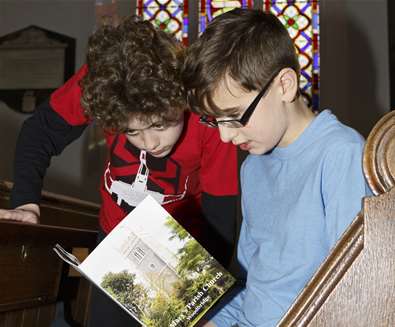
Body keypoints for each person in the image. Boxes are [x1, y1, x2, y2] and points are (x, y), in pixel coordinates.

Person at [0, 16, 238, 327]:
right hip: (117, 238)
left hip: (187, 246)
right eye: (131, 131)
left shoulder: (207, 111)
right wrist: (26, 202)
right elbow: (39, 133)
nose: (150, 144)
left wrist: (203, 292)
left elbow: (221, 213)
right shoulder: (109, 82)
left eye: (160, 124)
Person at [182, 8, 371, 327]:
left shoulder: (341, 154)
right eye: (215, 122)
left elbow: (354, 292)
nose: (226, 136)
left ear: (285, 85)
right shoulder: (253, 167)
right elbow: (254, 287)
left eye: (235, 116)